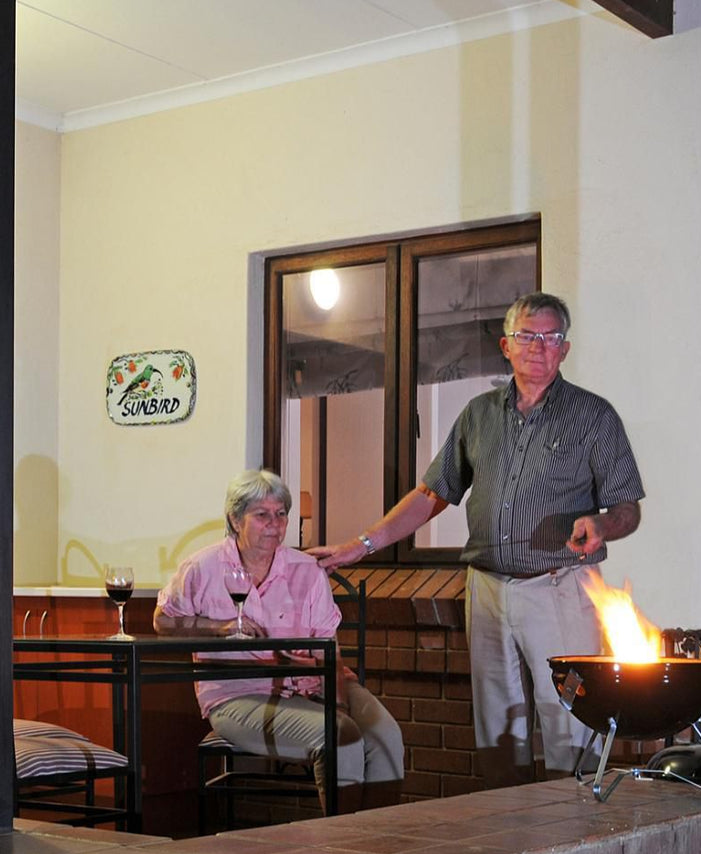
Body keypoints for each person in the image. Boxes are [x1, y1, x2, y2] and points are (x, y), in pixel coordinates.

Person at [312, 292, 644, 786]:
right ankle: (506, 844)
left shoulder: (594, 417)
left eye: (550, 338)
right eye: (527, 336)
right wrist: (359, 546)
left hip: (560, 586)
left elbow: (627, 508)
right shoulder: (478, 415)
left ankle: (573, 841)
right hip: (486, 589)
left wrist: (602, 524)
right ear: (505, 345)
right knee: (496, 729)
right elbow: (431, 495)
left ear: (565, 350)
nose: (538, 346)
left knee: (568, 723)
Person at [155, 469, 404, 812]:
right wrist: (218, 627)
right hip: (239, 692)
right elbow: (164, 621)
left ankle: (378, 842)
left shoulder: (306, 569)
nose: (274, 524)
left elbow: (330, 648)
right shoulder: (203, 567)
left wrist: (339, 699)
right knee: (339, 735)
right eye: (262, 515)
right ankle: (346, 848)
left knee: (386, 736)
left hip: (316, 682)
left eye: (281, 514)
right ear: (235, 519)